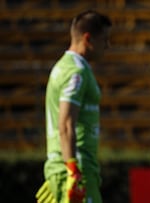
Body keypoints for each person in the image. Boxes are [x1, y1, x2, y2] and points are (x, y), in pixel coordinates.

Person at [36, 10, 112, 203]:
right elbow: (66, 123)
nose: (108, 45)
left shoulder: (63, 66)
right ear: (88, 39)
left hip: (67, 167)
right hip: (77, 168)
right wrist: (72, 171)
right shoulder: (75, 72)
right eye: (105, 39)